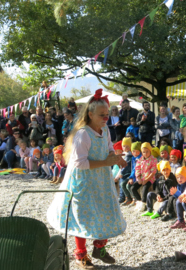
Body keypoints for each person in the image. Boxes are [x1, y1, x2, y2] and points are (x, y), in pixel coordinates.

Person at [47, 89, 127, 268]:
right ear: (90, 114)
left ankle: (99, 247)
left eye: (107, 115)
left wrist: (115, 156)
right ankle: (81, 255)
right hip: (83, 180)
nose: (106, 118)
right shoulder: (83, 134)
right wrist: (106, 161)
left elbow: (108, 147)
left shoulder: (104, 129)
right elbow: (80, 163)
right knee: (82, 216)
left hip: (101, 179)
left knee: (106, 210)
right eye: (102, 115)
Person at [131, 142, 158, 212]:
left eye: (147, 152)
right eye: (143, 152)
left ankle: (143, 203)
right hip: (141, 178)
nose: (145, 154)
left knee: (145, 188)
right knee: (133, 188)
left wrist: (146, 180)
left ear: (150, 151)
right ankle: (139, 201)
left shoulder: (153, 160)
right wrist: (139, 178)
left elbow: (153, 172)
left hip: (149, 179)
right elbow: (137, 169)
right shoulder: (140, 160)